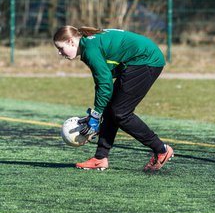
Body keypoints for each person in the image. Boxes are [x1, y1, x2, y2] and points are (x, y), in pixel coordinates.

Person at [53, 26, 173, 172]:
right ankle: (100, 158)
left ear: (71, 42)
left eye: (60, 48)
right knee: (111, 110)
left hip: (146, 60)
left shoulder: (90, 49)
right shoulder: (87, 45)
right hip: (138, 60)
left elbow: (104, 83)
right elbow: (104, 79)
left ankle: (161, 150)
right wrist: (97, 113)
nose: (59, 53)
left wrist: (95, 116)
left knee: (121, 113)